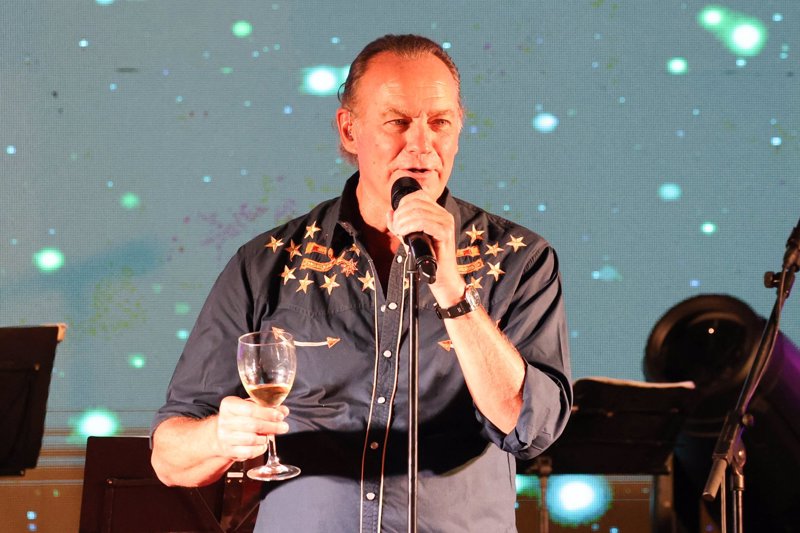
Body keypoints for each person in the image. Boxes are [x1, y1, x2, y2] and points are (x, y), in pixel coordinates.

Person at [151, 34, 572, 532]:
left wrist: (454, 292)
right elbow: (168, 457)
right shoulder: (265, 263)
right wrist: (221, 436)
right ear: (349, 131)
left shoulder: (521, 260)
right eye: (397, 122)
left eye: (440, 122)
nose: (421, 144)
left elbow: (531, 428)